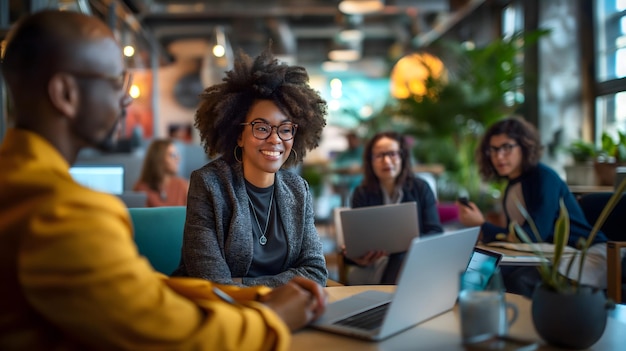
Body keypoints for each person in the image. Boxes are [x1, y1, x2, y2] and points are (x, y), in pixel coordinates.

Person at [0, 10, 326, 350]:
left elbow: (143, 291)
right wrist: (274, 317)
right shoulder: (65, 213)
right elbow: (177, 336)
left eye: (286, 129)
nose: (127, 99)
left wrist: (257, 293)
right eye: (116, 82)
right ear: (66, 94)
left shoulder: (17, 181)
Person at [171, 47, 328, 288]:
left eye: (285, 129)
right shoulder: (209, 185)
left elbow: (315, 271)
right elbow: (213, 282)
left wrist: (246, 283)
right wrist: (284, 285)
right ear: (239, 135)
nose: (276, 139)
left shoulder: (298, 190)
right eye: (262, 128)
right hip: (220, 312)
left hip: (281, 309)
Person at [457, 116, 608, 297]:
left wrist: (482, 224)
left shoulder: (544, 177)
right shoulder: (512, 186)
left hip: (585, 255)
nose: (499, 156)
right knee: (484, 272)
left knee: (516, 279)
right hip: (546, 254)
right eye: (493, 149)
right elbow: (520, 235)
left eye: (507, 147)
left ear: (525, 147)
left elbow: (534, 234)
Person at [346, 131, 444, 284]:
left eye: (392, 154)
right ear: (370, 161)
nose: (386, 161)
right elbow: (359, 241)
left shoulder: (421, 188)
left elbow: (435, 232)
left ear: (403, 157)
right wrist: (358, 257)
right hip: (377, 262)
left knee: (401, 256)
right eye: (379, 155)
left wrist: (410, 244)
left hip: (415, 258)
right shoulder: (361, 193)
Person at [134, 138, 189, 207]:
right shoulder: (141, 189)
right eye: (173, 155)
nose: (178, 159)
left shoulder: (182, 186)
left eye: (177, 155)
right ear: (159, 158)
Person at [329, 131, 364, 206]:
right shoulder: (344, 154)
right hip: (345, 186)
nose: (350, 142)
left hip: (360, 186)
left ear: (357, 140)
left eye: (351, 140)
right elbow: (334, 167)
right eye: (348, 140)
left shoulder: (363, 153)